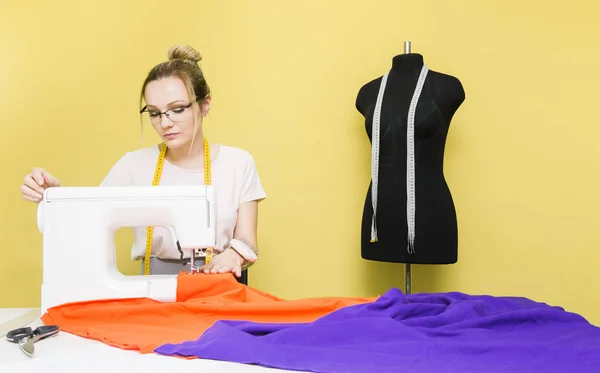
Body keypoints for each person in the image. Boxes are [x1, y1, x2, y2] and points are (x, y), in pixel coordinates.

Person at [19, 44, 267, 277]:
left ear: (205, 105)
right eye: (154, 113)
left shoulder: (238, 163)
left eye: (177, 108)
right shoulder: (132, 166)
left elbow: (247, 241)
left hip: (219, 284)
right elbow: (87, 218)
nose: (165, 123)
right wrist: (53, 197)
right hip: (152, 289)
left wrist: (234, 255)